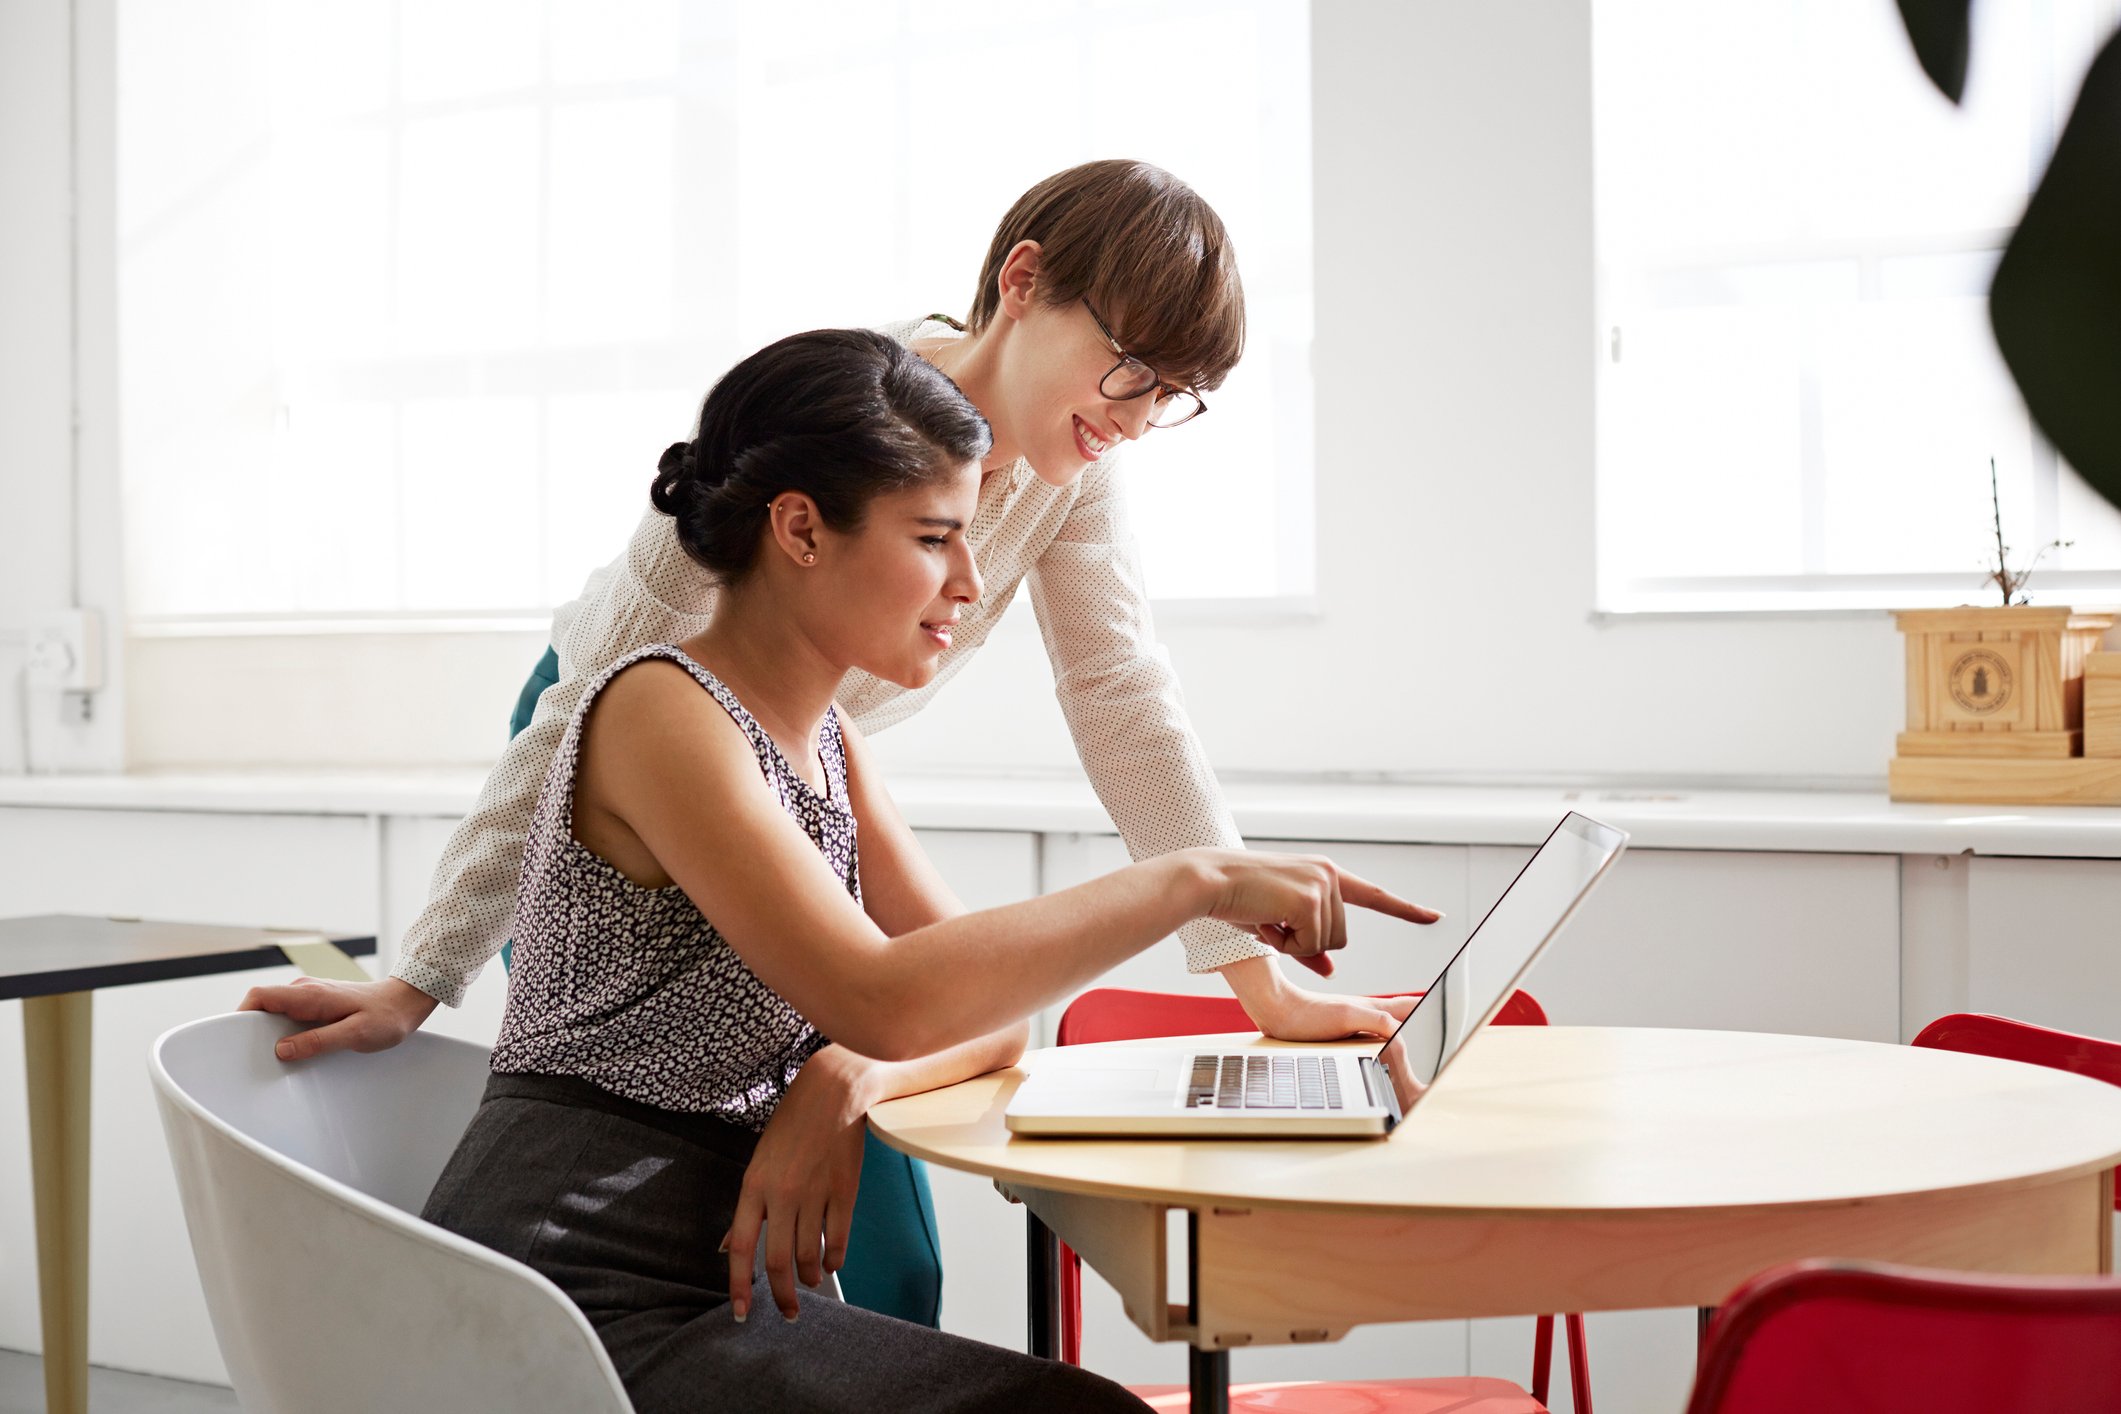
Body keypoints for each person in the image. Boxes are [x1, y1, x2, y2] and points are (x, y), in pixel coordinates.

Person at [241, 159, 1434, 1323]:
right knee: (692, 1151)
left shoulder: (1069, 472)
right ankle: (593, 1340)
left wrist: (1257, 982)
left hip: (810, 763)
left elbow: (1124, 695)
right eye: (1129, 369)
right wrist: (423, 976)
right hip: (629, 744)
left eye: (1173, 395)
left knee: (892, 1248)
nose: (1137, 418)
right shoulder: (823, 434)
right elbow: (573, 718)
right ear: (1020, 282)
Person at [414, 328, 1434, 1412]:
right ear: (801, 527)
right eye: (936, 536)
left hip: (715, 1278)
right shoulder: (662, 709)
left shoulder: (828, 745)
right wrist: (1194, 879)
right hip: (564, 1289)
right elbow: (887, 995)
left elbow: (986, 1019)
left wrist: (848, 1076)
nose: (972, 580)